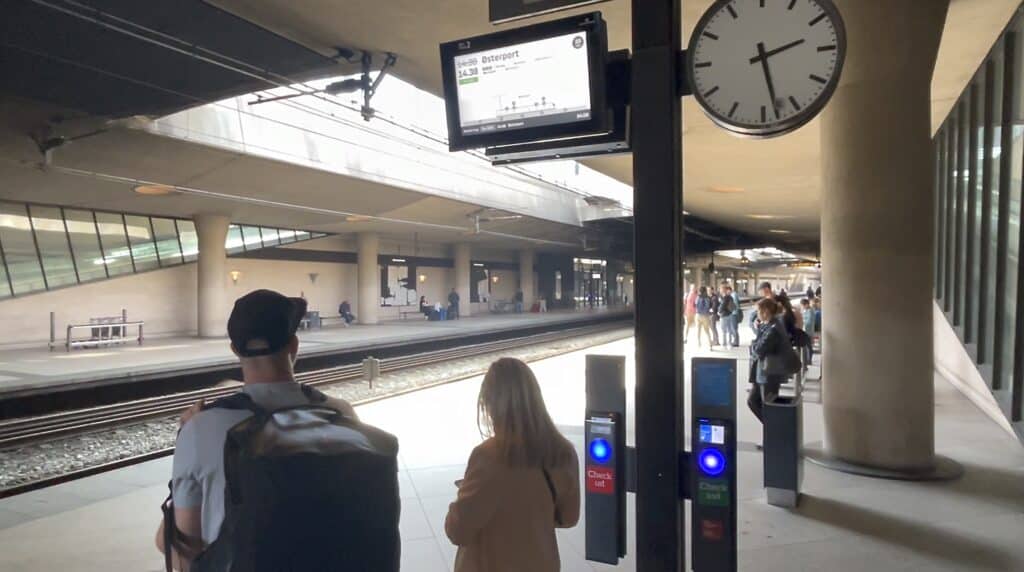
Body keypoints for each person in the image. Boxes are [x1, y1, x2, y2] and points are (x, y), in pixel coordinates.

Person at [156, 290, 399, 571]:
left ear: (235, 350)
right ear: (293, 345)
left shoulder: (201, 429)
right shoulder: (341, 414)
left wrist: (186, 438)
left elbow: (182, 554)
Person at [445, 358, 580, 572]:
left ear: (490, 404)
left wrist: (464, 494)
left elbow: (457, 531)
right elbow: (569, 518)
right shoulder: (563, 452)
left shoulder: (488, 457)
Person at [747, 298, 791, 425]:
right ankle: (772, 430)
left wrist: (754, 345)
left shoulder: (774, 328)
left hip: (769, 374)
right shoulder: (770, 325)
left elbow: (759, 349)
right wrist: (759, 329)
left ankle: (774, 433)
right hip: (763, 373)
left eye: (758, 311)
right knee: (753, 401)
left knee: (768, 406)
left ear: (765, 311)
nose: (757, 314)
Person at [718, 283, 738, 349]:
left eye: (720, 289)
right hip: (729, 314)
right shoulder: (730, 297)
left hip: (724, 315)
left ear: (723, 289)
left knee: (723, 331)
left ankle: (724, 344)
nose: (720, 290)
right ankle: (729, 343)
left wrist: (719, 311)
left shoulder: (725, 297)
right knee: (729, 330)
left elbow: (722, 306)